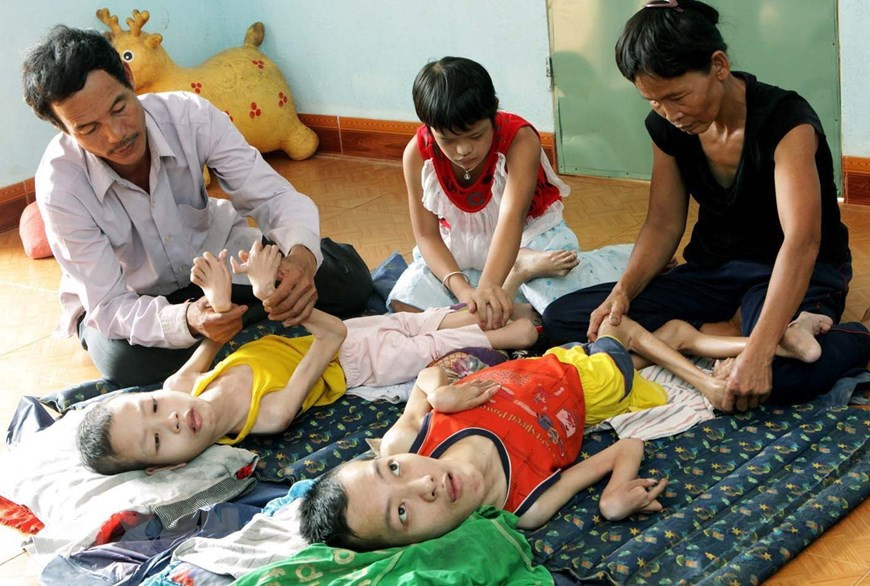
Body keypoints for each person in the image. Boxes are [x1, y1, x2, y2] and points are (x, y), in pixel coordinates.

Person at [542, 0, 852, 411]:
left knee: (778, 378)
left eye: (677, 96)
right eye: (654, 103)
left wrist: (758, 355)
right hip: (714, 271)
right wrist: (622, 292)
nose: (670, 114)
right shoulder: (668, 129)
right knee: (566, 319)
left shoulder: (785, 121)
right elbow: (663, 223)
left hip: (794, 270)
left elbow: (803, 241)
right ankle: (717, 332)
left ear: (719, 65)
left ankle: (855, 336)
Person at [22, 26, 371, 388]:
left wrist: (300, 260)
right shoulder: (60, 184)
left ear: (129, 78)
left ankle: (230, 328)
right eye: (88, 128)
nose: (115, 134)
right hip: (137, 300)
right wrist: (188, 320)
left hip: (222, 267)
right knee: (124, 364)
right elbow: (110, 306)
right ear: (63, 128)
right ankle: (243, 320)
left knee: (350, 283)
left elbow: (272, 197)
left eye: (119, 107)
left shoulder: (190, 116)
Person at [76, 241, 540, 475]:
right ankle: (527, 298)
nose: (172, 420)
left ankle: (514, 284)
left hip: (361, 330)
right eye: (158, 441)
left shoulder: (180, 386)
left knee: (446, 318)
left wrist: (217, 302)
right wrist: (267, 292)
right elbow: (331, 334)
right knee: (507, 334)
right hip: (361, 361)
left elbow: (221, 334)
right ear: (168, 467)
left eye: (153, 409)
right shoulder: (269, 415)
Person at [387, 56, 632, 330]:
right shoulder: (416, 154)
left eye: (476, 135)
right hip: (462, 246)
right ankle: (513, 299)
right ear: (429, 129)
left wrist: (489, 285)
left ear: (493, 115)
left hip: (526, 236)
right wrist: (464, 291)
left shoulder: (520, 139)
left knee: (559, 303)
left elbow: (511, 217)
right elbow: (426, 236)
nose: (463, 150)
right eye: (448, 140)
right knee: (404, 302)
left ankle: (620, 260)